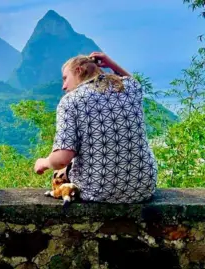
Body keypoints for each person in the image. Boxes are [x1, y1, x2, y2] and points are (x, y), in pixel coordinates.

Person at [34, 52, 158, 203]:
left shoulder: (71, 101)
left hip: (98, 190)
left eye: (65, 78)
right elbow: (133, 81)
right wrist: (110, 63)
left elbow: (61, 159)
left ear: (79, 71)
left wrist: (44, 162)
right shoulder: (129, 88)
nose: (63, 86)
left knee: (59, 173)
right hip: (143, 187)